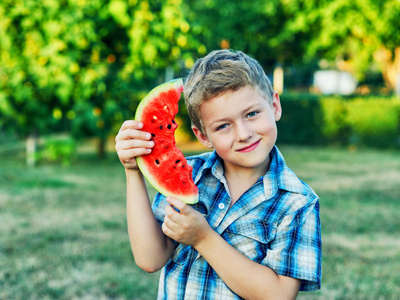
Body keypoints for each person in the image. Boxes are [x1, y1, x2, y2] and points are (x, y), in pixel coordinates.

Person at [115, 49, 321, 299]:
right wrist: (133, 171)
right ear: (203, 136)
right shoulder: (189, 175)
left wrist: (203, 238)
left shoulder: (298, 202)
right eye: (223, 126)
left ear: (274, 106)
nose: (243, 133)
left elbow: (279, 294)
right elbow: (150, 258)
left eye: (252, 114)